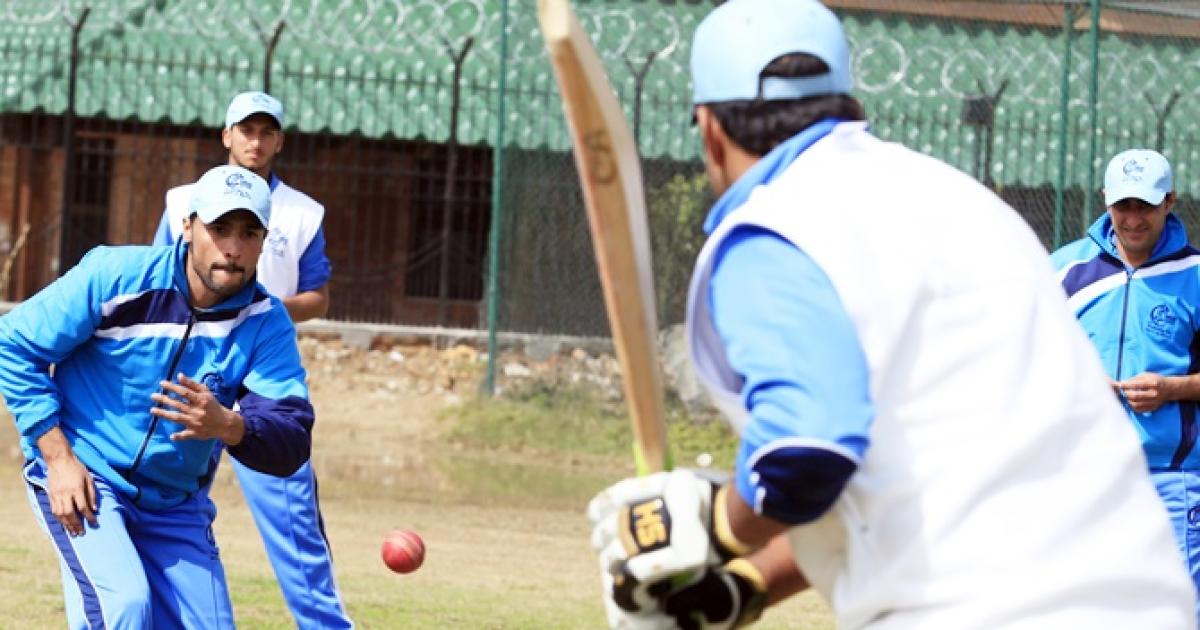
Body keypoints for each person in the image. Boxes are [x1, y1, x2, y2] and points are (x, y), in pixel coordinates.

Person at [586, 1, 1196, 628]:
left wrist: (710, 523)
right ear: (848, 104)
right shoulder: (966, 204)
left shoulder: (772, 232)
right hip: (1144, 602)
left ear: (711, 130)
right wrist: (745, 585)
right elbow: (913, 466)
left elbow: (807, 448)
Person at [0, 165, 314, 628]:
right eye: (220, 228)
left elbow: (291, 436)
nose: (232, 248)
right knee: (126, 606)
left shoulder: (266, 324)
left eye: (249, 233)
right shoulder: (115, 276)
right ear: (187, 226)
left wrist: (230, 425)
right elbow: (13, 343)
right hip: (88, 478)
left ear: (264, 241)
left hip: (175, 503)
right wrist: (58, 459)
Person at [152, 91, 351, 629]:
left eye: (266, 132)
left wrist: (259, 309)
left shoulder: (302, 213)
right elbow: (157, 280)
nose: (255, 142)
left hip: (261, 379)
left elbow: (319, 297)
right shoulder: (182, 202)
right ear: (227, 135)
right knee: (161, 509)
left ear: (279, 141)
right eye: (246, 130)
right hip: (189, 377)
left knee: (294, 525)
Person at [1052, 148, 1200, 614]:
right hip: (1083, 471)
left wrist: (1172, 389)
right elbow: (1027, 361)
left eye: (1146, 206)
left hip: (1173, 478)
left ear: (1170, 201)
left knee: (1177, 612)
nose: (1133, 219)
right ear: (1105, 200)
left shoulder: (1195, 276)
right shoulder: (1063, 270)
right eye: (1123, 205)